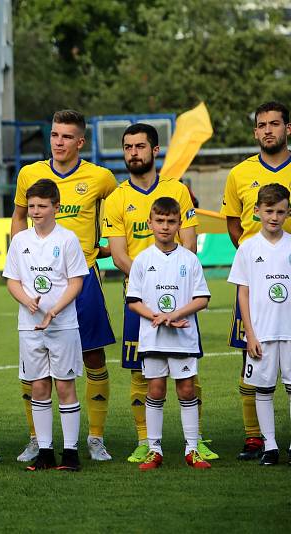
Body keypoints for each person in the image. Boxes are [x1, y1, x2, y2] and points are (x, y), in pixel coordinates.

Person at [102, 123, 216, 463]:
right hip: (140, 300)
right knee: (142, 375)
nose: (133, 152)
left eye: (140, 146)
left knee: (188, 375)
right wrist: (148, 286)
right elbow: (120, 254)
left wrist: (173, 300)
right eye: (127, 147)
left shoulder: (177, 190)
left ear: (155, 150)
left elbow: (191, 243)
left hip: (180, 298)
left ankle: (195, 441)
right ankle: (145, 441)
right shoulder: (117, 197)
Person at [11, 109, 117, 463]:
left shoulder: (100, 178)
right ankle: (36, 439)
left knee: (92, 357)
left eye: (67, 136)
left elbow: (116, 216)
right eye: (55, 135)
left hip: (81, 278)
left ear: (80, 141)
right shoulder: (30, 174)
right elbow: (17, 218)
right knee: (35, 362)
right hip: (37, 282)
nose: (59, 142)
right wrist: (20, 259)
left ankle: (95, 437)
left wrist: (110, 247)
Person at [220, 101, 291, 461]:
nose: (268, 130)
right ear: (255, 132)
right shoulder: (239, 174)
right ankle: (256, 439)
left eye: (274, 124)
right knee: (251, 355)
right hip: (258, 277)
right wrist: (256, 256)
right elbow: (234, 223)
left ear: (287, 129)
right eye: (261, 125)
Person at [3, 179, 87, 471]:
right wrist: (27, 301)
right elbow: (12, 280)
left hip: (63, 325)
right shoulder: (20, 240)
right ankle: (45, 451)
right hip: (29, 327)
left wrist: (55, 310)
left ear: (56, 207)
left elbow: (76, 281)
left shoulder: (68, 239)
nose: (35, 212)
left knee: (65, 386)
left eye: (42, 206)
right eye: (32, 206)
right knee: (38, 387)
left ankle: (71, 452)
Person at [126, 197, 212, 470]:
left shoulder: (189, 260)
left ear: (179, 224)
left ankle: (192, 448)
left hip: (183, 336)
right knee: (155, 388)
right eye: (159, 221)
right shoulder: (141, 260)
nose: (165, 226)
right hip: (153, 336)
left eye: (170, 221)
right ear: (150, 223)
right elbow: (133, 301)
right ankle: (154, 449)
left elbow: (202, 299)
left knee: (186, 390)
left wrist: (173, 316)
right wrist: (158, 318)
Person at [227, 183, 291, 466]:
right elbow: (243, 293)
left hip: (289, 332)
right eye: (269, 211)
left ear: (288, 213)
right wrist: (249, 334)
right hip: (261, 333)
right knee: (263, 389)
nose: (274, 217)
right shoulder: (248, 248)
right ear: (256, 212)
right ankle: (271, 446)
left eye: (280, 211)